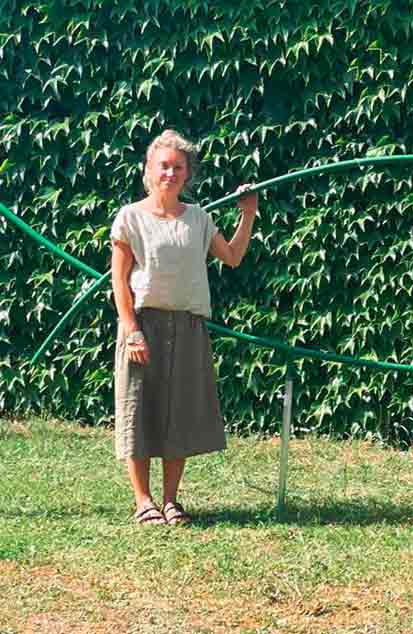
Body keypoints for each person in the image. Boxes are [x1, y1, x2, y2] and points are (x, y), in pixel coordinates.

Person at [110, 129, 258, 525]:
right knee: (139, 411)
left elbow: (232, 257)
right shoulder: (131, 217)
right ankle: (143, 502)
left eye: (178, 167)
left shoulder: (199, 218)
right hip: (145, 326)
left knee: (179, 414)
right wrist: (132, 331)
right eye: (164, 166)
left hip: (189, 327)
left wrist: (248, 213)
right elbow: (119, 282)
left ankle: (171, 500)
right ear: (149, 169)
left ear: (187, 174)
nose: (170, 173)